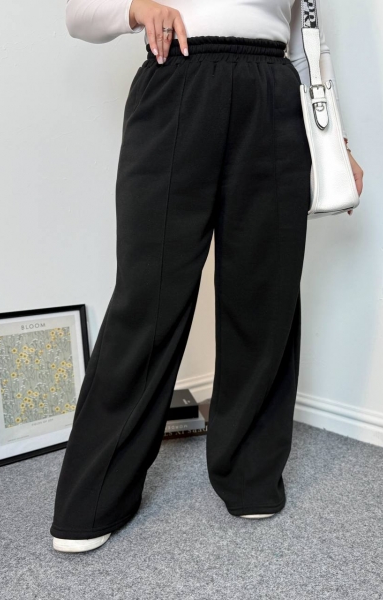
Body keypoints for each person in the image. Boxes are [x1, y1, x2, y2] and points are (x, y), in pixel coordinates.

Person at [50, 0, 364, 553]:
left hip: (275, 99)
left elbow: (307, 48)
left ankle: (250, 476)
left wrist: (335, 141)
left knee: (265, 296)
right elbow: (80, 13)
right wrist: (136, 9)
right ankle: (94, 496)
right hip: (177, 80)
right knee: (149, 296)